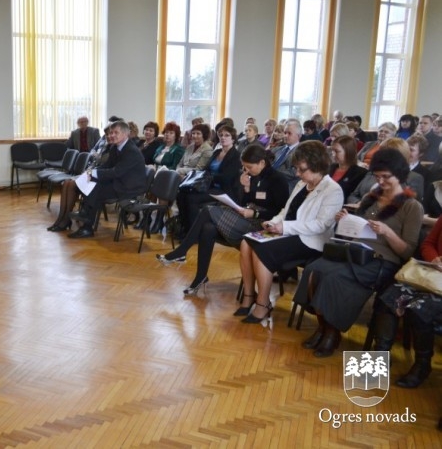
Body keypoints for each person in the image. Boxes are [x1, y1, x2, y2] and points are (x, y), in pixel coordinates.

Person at [293, 148, 423, 357]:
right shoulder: (373, 197)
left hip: (382, 262)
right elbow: (357, 228)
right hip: (354, 253)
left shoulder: (411, 207)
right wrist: (345, 219)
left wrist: (387, 232)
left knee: (334, 278)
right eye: (377, 176)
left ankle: (332, 332)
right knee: (314, 270)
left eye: (386, 177)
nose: (380, 182)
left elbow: (407, 251)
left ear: (399, 175)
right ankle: (324, 327)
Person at [157, 145, 289, 295]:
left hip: (263, 227)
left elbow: (280, 212)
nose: (247, 171)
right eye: (244, 167)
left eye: (249, 167)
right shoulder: (251, 176)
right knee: (208, 228)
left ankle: (181, 251)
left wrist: (254, 213)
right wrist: (246, 188)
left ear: (262, 163)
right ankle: (200, 277)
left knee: (208, 210)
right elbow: (245, 201)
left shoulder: (278, 180)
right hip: (246, 220)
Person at [238, 141, 343, 324]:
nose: (297, 174)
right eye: (297, 169)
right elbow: (285, 211)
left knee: (262, 251)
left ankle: (263, 303)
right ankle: (249, 295)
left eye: (301, 169)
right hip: (288, 232)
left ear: (317, 165)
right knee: (246, 242)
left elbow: (321, 225)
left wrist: (284, 227)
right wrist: (273, 222)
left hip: (310, 241)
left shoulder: (333, 190)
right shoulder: (302, 184)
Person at [370, 216, 442, 389]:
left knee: (418, 310)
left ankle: (422, 365)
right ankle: (380, 358)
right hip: (431, 276)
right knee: (389, 298)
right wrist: (435, 259)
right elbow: (428, 244)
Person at [68, 120, 146, 239]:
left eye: (115, 132)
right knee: (91, 182)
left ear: (126, 134)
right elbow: (107, 166)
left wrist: (94, 173)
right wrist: (92, 172)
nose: (111, 135)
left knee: (95, 188)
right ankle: (86, 217)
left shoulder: (131, 151)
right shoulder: (116, 147)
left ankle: (87, 224)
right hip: (120, 181)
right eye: (110, 133)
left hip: (130, 187)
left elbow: (116, 172)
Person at [175, 124, 242, 234]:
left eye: (227, 135)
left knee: (192, 199)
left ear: (233, 139)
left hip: (223, 190)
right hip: (209, 186)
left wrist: (209, 177)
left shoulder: (236, 155)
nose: (223, 137)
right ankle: (185, 226)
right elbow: (205, 170)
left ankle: (193, 232)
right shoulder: (216, 152)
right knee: (181, 194)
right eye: (221, 135)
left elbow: (227, 178)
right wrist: (205, 176)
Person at [347, 138, 425, 205]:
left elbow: (407, 207)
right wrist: (359, 203)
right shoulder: (372, 172)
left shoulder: (414, 178)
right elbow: (353, 196)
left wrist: (370, 207)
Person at [329, 135, 367, 202]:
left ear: (349, 151)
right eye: (332, 151)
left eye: (337, 151)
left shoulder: (360, 173)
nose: (333, 154)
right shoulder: (330, 167)